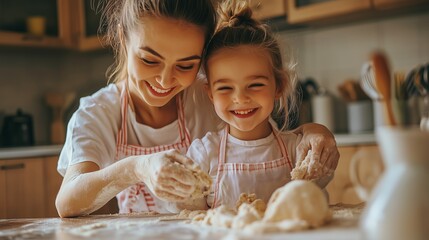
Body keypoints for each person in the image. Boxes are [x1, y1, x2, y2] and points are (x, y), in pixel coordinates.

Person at [55, 0, 339, 218]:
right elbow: (68, 201)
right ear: (122, 39)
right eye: (149, 60)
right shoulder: (98, 112)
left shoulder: (214, 95)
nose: (165, 81)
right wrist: (139, 168)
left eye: (186, 65)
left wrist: (315, 132)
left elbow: (264, 134)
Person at [176, 0, 336, 210]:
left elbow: (315, 204)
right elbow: (191, 219)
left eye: (255, 84)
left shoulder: (299, 151)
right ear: (211, 94)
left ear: (279, 86)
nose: (241, 98)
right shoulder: (203, 155)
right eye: (225, 88)